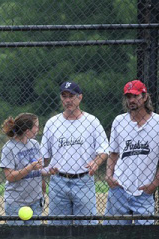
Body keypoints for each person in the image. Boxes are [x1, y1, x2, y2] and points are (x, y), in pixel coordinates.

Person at [40, 81, 109, 225]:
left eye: (71, 96)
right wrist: (41, 172)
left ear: (80, 97)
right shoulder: (52, 123)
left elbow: (104, 149)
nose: (67, 100)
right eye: (64, 96)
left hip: (83, 180)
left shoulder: (91, 121)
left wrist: (96, 162)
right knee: (58, 231)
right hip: (58, 181)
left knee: (86, 229)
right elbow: (44, 156)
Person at [104, 80, 159, 225]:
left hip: (144, 192)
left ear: (145, 97)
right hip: (119, 188)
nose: (131, 100)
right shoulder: (119, 121)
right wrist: (108, 176)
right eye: (128, 96)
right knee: (114, 237)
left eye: (135, 96)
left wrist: (154, 184)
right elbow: (113, 153)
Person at [0, 113, 53, 225]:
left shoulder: (35, 144)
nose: (38, 129)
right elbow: (10, 176)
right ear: (27, 131)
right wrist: (30, 167)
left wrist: (49, 172)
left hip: (35, 200)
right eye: (36, 126)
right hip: (16, 202)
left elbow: (39, 170)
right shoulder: (8, 148)